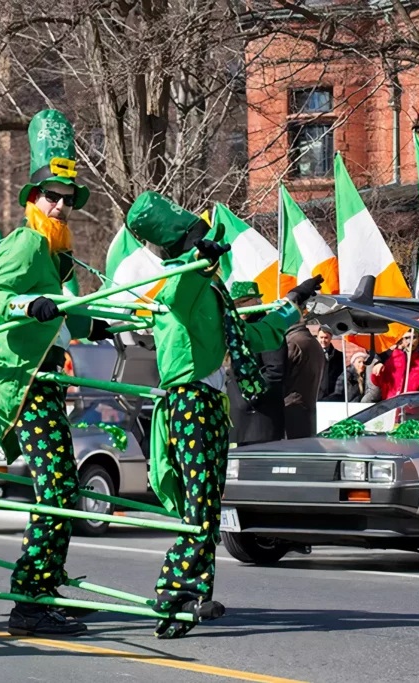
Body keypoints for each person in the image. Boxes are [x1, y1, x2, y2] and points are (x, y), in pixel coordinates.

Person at [124, 190, 310, 638]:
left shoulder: (210, 290)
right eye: (200, 236)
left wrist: (293, 304)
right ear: (184, 245)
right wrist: (196, 260)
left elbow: (250, 332)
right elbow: (176, 288)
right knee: (201, 508)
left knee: (207, 505)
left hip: (210, 406)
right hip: (187, 403)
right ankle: (175, 593)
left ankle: (190, 592)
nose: (211, 242)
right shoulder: (180, 284)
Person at [0, 111, 113, 637]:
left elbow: (63, 311)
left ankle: (45, 589)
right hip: (22, 383)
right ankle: (29, 603)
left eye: (68, 197)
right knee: (55, 488)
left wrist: (98, 322)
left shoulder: (56, 247)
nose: (61, 205)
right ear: (33, 197)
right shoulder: (26, 242)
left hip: (44, 379)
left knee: (61, 486)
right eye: (51, 195)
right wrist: (29, 305)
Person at [226, 282, 287, 445]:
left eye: (244, 301)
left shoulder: (264, 327)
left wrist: (248, 397)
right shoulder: (236, 328)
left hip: (260, 419)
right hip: (240, 418)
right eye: (237, 302)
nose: (240, 306)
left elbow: (274, 371)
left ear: (256, 301)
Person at [284, 314, 325, 439]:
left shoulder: (294, 342)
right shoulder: (311, 341)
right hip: (306, 407)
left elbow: (279, 374)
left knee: (293, 453)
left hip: (292, 408)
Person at [378, 330, 419, 399]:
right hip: (391, 405)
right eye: (406, 338)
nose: (409, 341)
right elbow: (380, 382)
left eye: (413, 337)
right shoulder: (392, 358)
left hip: (414, 406)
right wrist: (378, 369)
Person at [317, 329, 345, 402]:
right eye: (321, 337)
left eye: (326, 337)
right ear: (317, 337)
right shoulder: (311, 354)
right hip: (316, 392)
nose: (323, 340)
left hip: (332, 392)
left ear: (330, 338)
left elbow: (341, 375)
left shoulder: (339, 355)